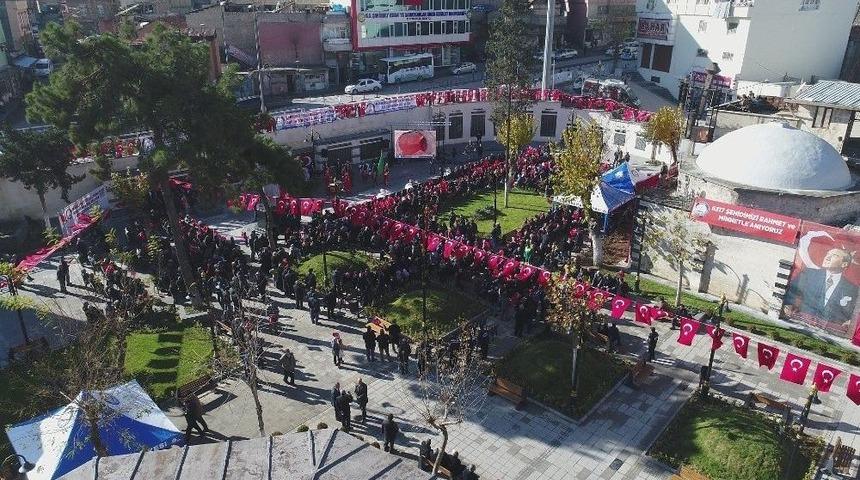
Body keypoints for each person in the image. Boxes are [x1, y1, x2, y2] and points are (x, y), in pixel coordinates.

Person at [785, 248, 858, 327]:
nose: (827, 257)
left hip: (831, 332)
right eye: (827, 254)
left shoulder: (852, 289)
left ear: (844, 264)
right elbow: (791, 292)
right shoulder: (808, 274)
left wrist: (852, 322)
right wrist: (788, 305)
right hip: (801, 324)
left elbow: (853, 312)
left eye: (834, 256)